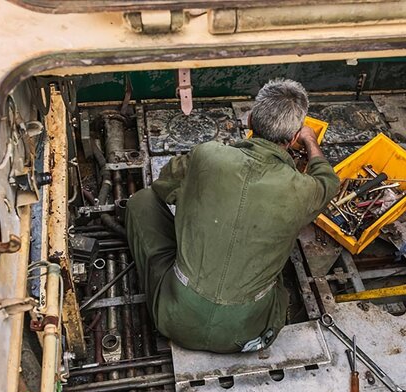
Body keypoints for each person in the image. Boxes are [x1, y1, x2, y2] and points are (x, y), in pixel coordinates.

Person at [126, 79, 339, 353]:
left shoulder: (207, 155)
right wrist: (310, 142)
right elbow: (328, 182)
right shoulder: (303, 189)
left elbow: (163, 186)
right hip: (248, 332)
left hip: (175, 320)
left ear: (250, 120)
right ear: (294, 137)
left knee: (142, 201)